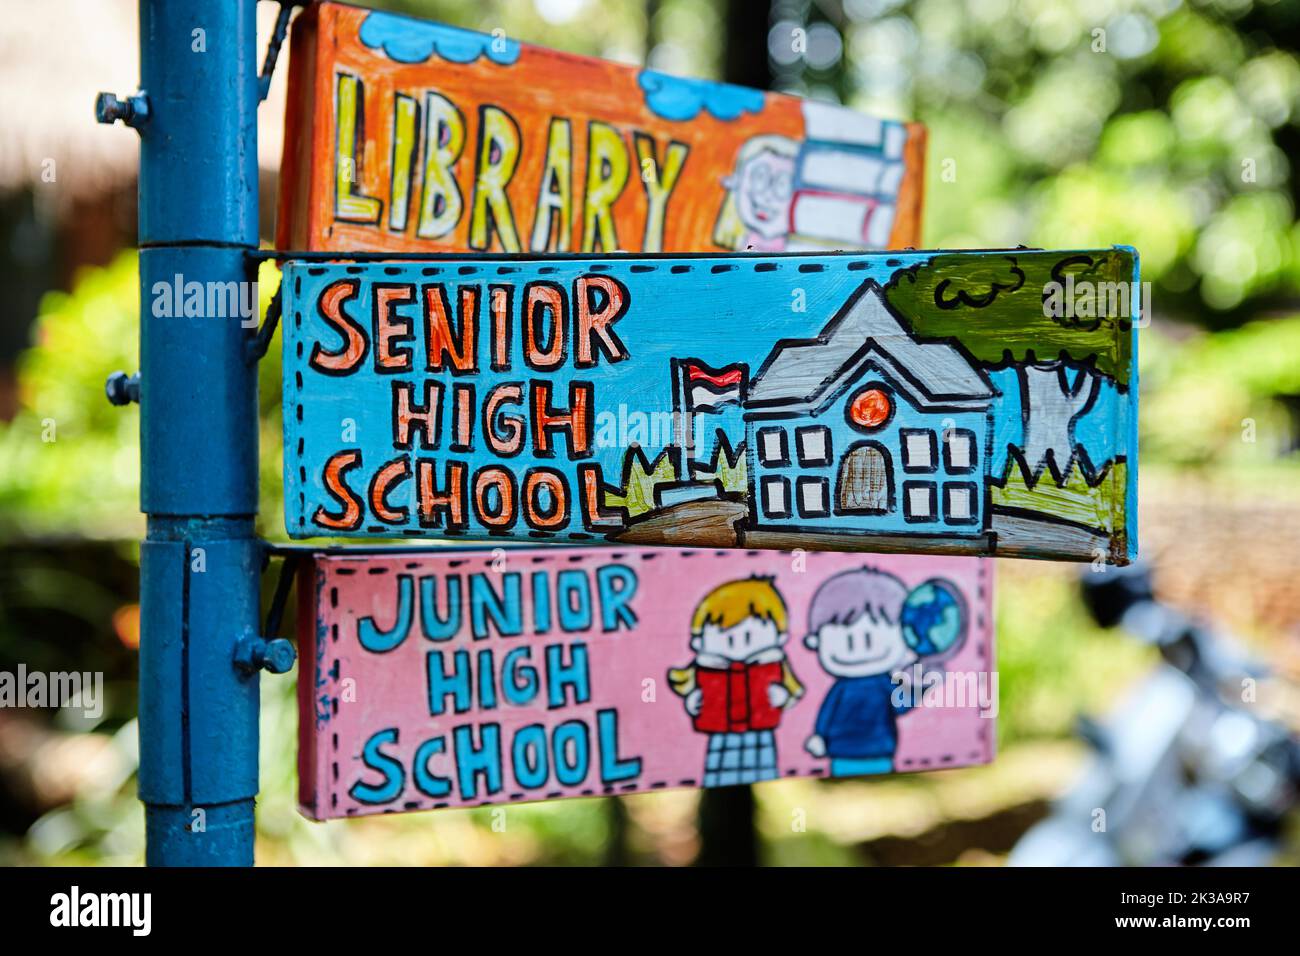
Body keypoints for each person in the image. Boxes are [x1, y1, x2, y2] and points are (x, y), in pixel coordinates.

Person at [668, 576, 803, 786]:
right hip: (721, 732)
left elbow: (791, 691)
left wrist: (782, 695)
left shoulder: (771, 666)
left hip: (761, 731)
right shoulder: (708, 670)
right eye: (723, 632)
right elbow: (694, 691)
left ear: (779, 634)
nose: (737, 639)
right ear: (698, 639)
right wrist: (693, 701)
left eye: (749, 633)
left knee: (763, 762)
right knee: (719, 766)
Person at [803, 567, 919, 777]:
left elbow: (901, 705)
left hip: (879, 748)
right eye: (846, 638)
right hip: (841, 750)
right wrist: (820, 736)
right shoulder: (842, 688)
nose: (859, 644)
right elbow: (827, 713)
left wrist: (919, 684)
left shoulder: (885, 682)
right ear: (816, 640)